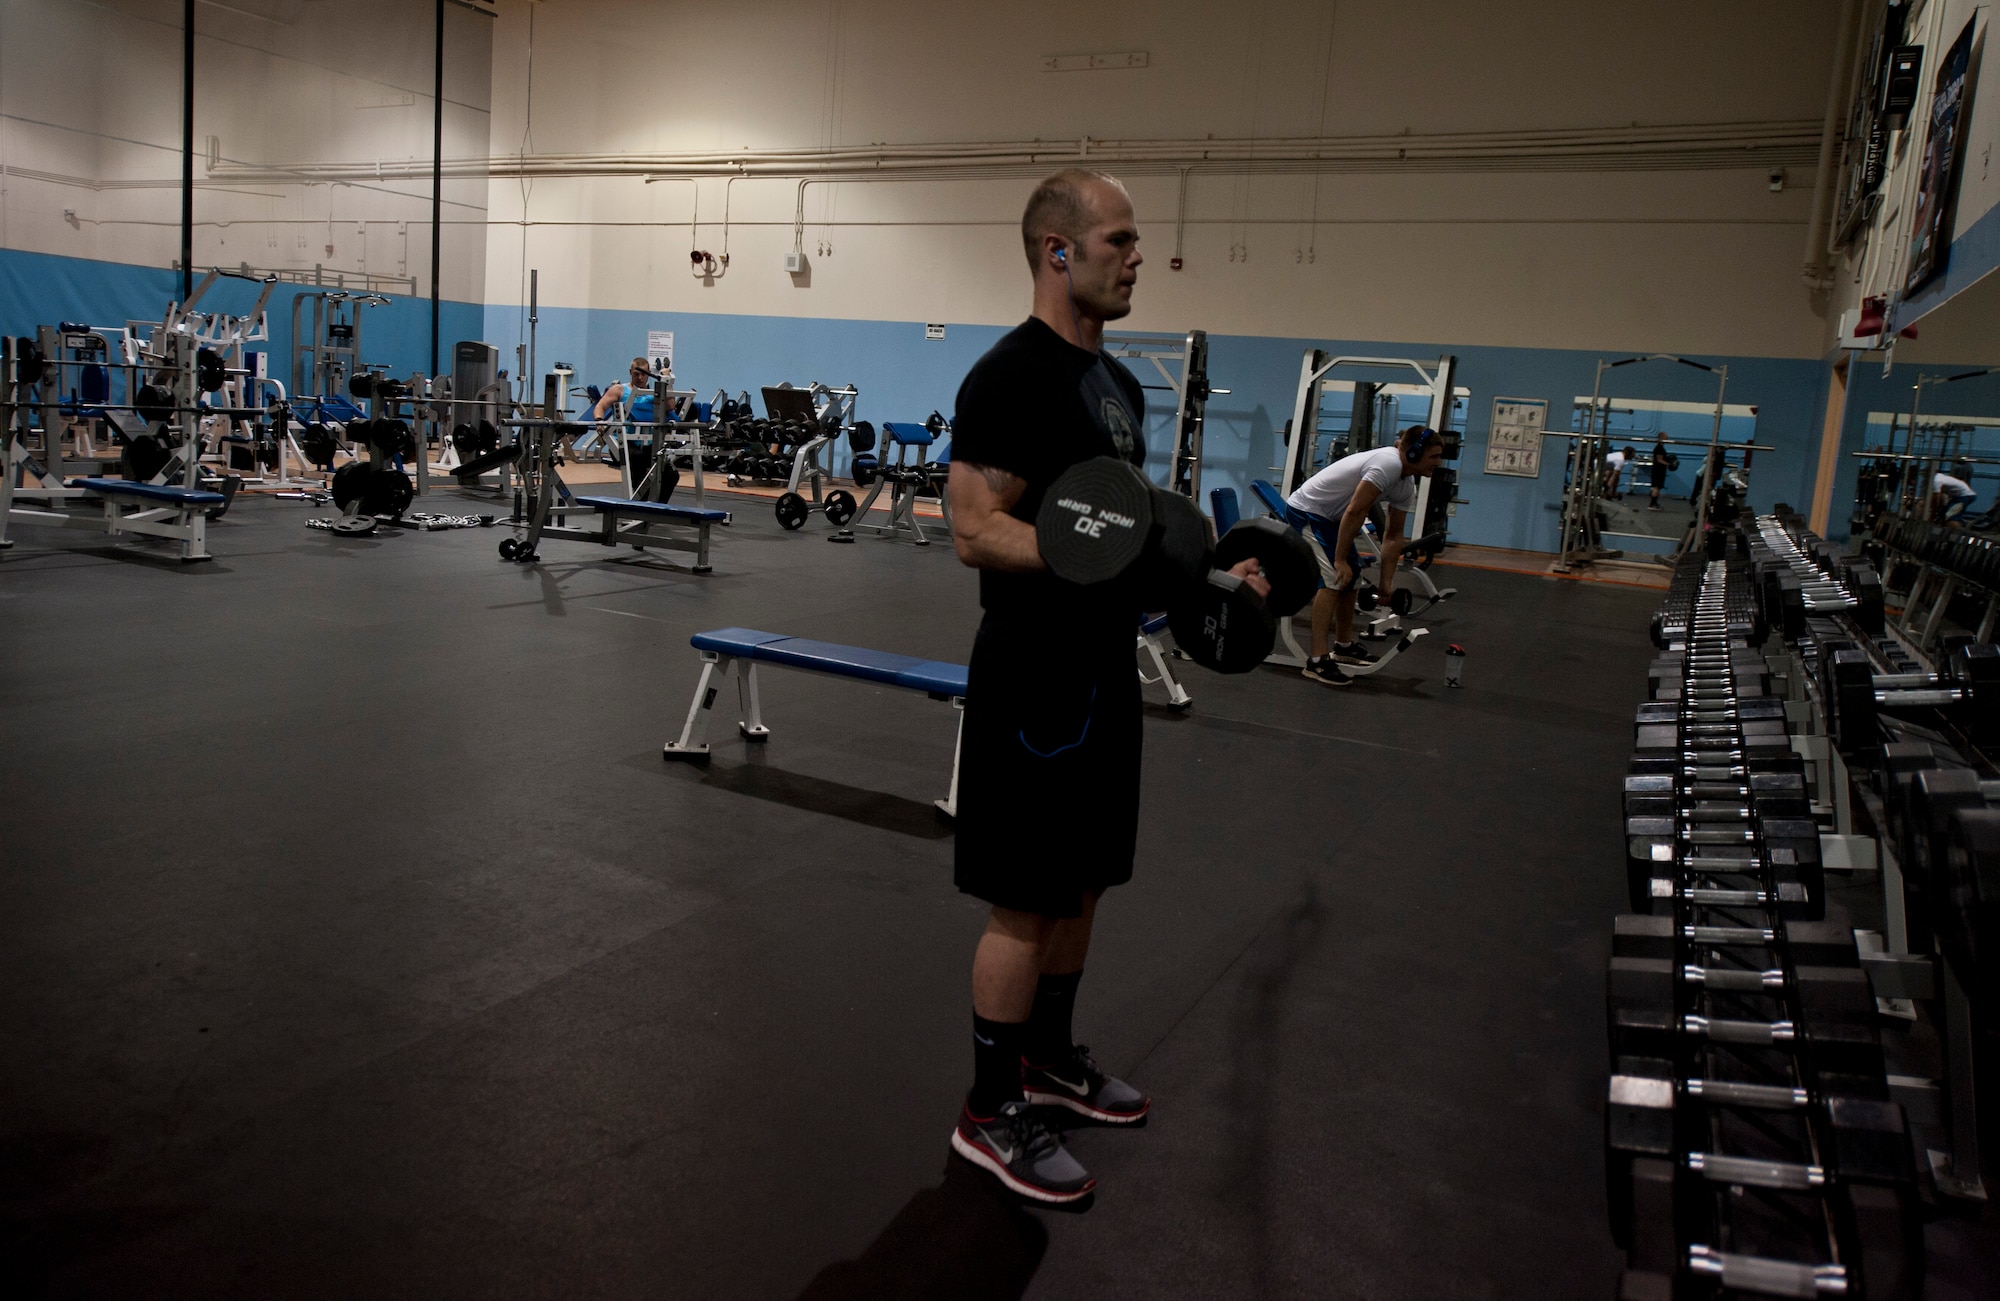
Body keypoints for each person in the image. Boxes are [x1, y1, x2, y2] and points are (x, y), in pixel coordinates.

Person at [944, 168, 1269, 1204]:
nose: (1137, 258)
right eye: (1119, 240)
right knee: (1026, 899)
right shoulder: (1009, 378)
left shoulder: (1119, 388)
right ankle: (989, 1107)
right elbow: (972, 528)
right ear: (1057, 251)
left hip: (1101, 667)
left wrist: (1211, 578)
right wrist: (1082, 554)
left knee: (1084, 879)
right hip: (1033, 671)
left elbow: (1130, 537)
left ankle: (1047, 1056)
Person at [1283, 427, 1447, 687]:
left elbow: (1393, 536)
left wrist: (1386, 582)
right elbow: (1355, 511)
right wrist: (1339, 560)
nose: (1438, 463)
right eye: (1434, 456)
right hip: (1310, 510)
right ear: (1413, 452)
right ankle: (1316, 661)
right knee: (1335, 579)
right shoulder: (1388, 465)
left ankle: (1344, 646)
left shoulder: (1406, 483)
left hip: (1332, 517)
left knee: (1354, 577)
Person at [591, 357, 661, 422]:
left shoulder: (654, 394)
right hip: (621, 435)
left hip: (646, 435)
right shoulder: (619, 390)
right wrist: (599, 421)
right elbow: (600, 407)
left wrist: (667, 379)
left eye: (643, 374)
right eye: (636, 374)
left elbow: (670, 407)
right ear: (630, 372)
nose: (639, 377)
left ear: (649, 373)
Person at [1647, 435, 1671, 511]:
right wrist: (1669, 464)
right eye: (1666, 439)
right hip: (1658, 470)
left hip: (1659, 470)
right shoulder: (1659, 448)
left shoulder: (1660, 448)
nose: (1667, 440)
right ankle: (1652, 504)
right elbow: (1659, 460)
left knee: (1658, 487)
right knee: (1656, 487)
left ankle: (1654, 503)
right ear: (1661, 439)